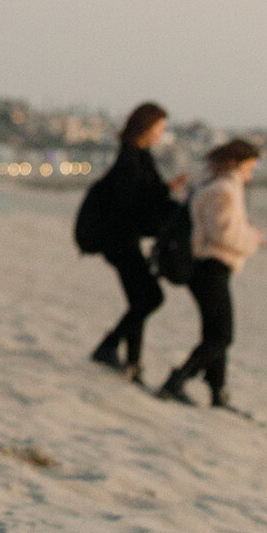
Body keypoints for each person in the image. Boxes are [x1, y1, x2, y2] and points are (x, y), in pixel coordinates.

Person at [84, 102, 184, 385]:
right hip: (118, 240)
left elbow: (145, 195)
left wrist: (166, 192)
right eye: (160, 128)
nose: (161, 134)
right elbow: (135, 200)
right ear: (147, 127)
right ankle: (109, 347)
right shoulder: (130, 158)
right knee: (151, 297)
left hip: (123, 239)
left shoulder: (138, 155)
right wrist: (168, 191)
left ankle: (133, 364)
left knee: (139, 300)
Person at [158, 138, 263, 409]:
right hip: (210, 267)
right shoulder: (223, 190)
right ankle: (177, 380)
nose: (251, 174)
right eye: (249, 167)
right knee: (222, 336)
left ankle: (218, 392)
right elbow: (223, 233)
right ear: (236, 163)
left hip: (208, 266)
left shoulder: (216, 184)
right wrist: (253, 239)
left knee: (214, 333)